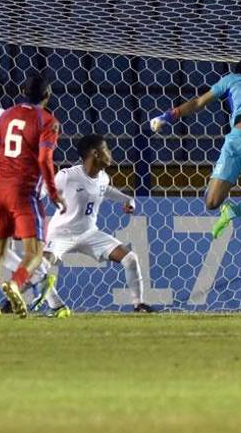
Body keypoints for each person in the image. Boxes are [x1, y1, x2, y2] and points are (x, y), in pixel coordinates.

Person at [149, 12, 241, 239]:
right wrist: (167, 117)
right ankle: (221, 205)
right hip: (237, 141)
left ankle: (232, 212)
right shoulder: (231, 81)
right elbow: (199, 101)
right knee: (211, 202)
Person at [37, 134, 155, 317]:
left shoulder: (103, 178)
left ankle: (139, 304)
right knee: (40, 264)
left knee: (130, 258)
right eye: (106, 149)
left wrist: (127, 199)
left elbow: (105, 189)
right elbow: (44, 189)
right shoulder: (67, 176)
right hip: (61, 233)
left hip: (89, 233)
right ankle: (55, 305)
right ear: (95, 153)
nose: (110, 153)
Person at [0, 72, 54, 312]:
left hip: (6, 185)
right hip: (33, 184)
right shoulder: (6, 113)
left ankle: (35, 276)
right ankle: (53, 300)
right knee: (13, 245)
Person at [0, 74, 66, 321]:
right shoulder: (48, 120)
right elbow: (44, 159)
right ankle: (16, 284)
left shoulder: (6, 115)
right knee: (35, 253)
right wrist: (52, 192)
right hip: (25, 192)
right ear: (48, 95)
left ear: (23, 91)